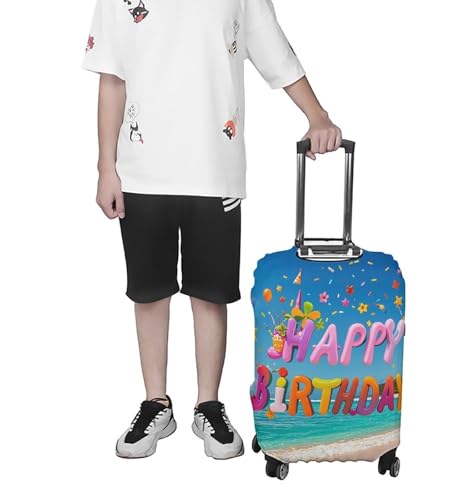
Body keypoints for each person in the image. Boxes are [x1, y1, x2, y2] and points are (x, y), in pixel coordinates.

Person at [82, 0, 342, 460]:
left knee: (211, 293)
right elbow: (112, 77)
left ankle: (208, 405)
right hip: (142, 171)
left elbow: (276, 53)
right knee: (149, 292)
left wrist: (317, 116)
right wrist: (106, 167)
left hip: (214, 171)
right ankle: (156, 403)